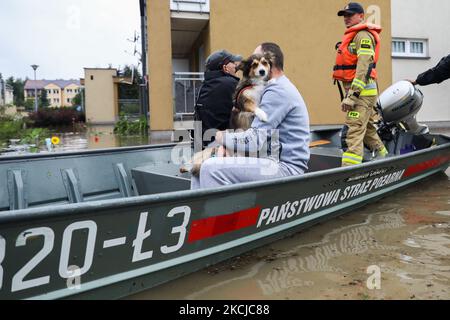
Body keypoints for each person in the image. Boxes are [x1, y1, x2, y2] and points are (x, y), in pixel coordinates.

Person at [191, 42, 310, 190]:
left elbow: (254, 141)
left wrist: (222, 137)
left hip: (285, 167)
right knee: (200, 166)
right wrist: (226, 146)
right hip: (268, 156)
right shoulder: (271, 88)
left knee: (211, 167)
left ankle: (222, 213)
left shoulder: (278, 91)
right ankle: (200, 213)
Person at [333, 2, 388, 167]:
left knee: (353, 131)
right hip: (363, 94)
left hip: (361, 94)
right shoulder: (354, 35)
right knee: (368, 128)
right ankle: (383, 155)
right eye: (344, 15)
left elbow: (364, 68)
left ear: (361, 16)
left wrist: (352, 96)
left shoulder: (363, 36)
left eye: (350, 14)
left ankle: (349, 173)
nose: (346, 18)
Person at [194, 50, 242, 146]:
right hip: (225, 145)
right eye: (233, 63)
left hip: (206, 144)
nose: (236, 67)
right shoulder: (231, 84)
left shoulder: (204, 87)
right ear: (225, 68)